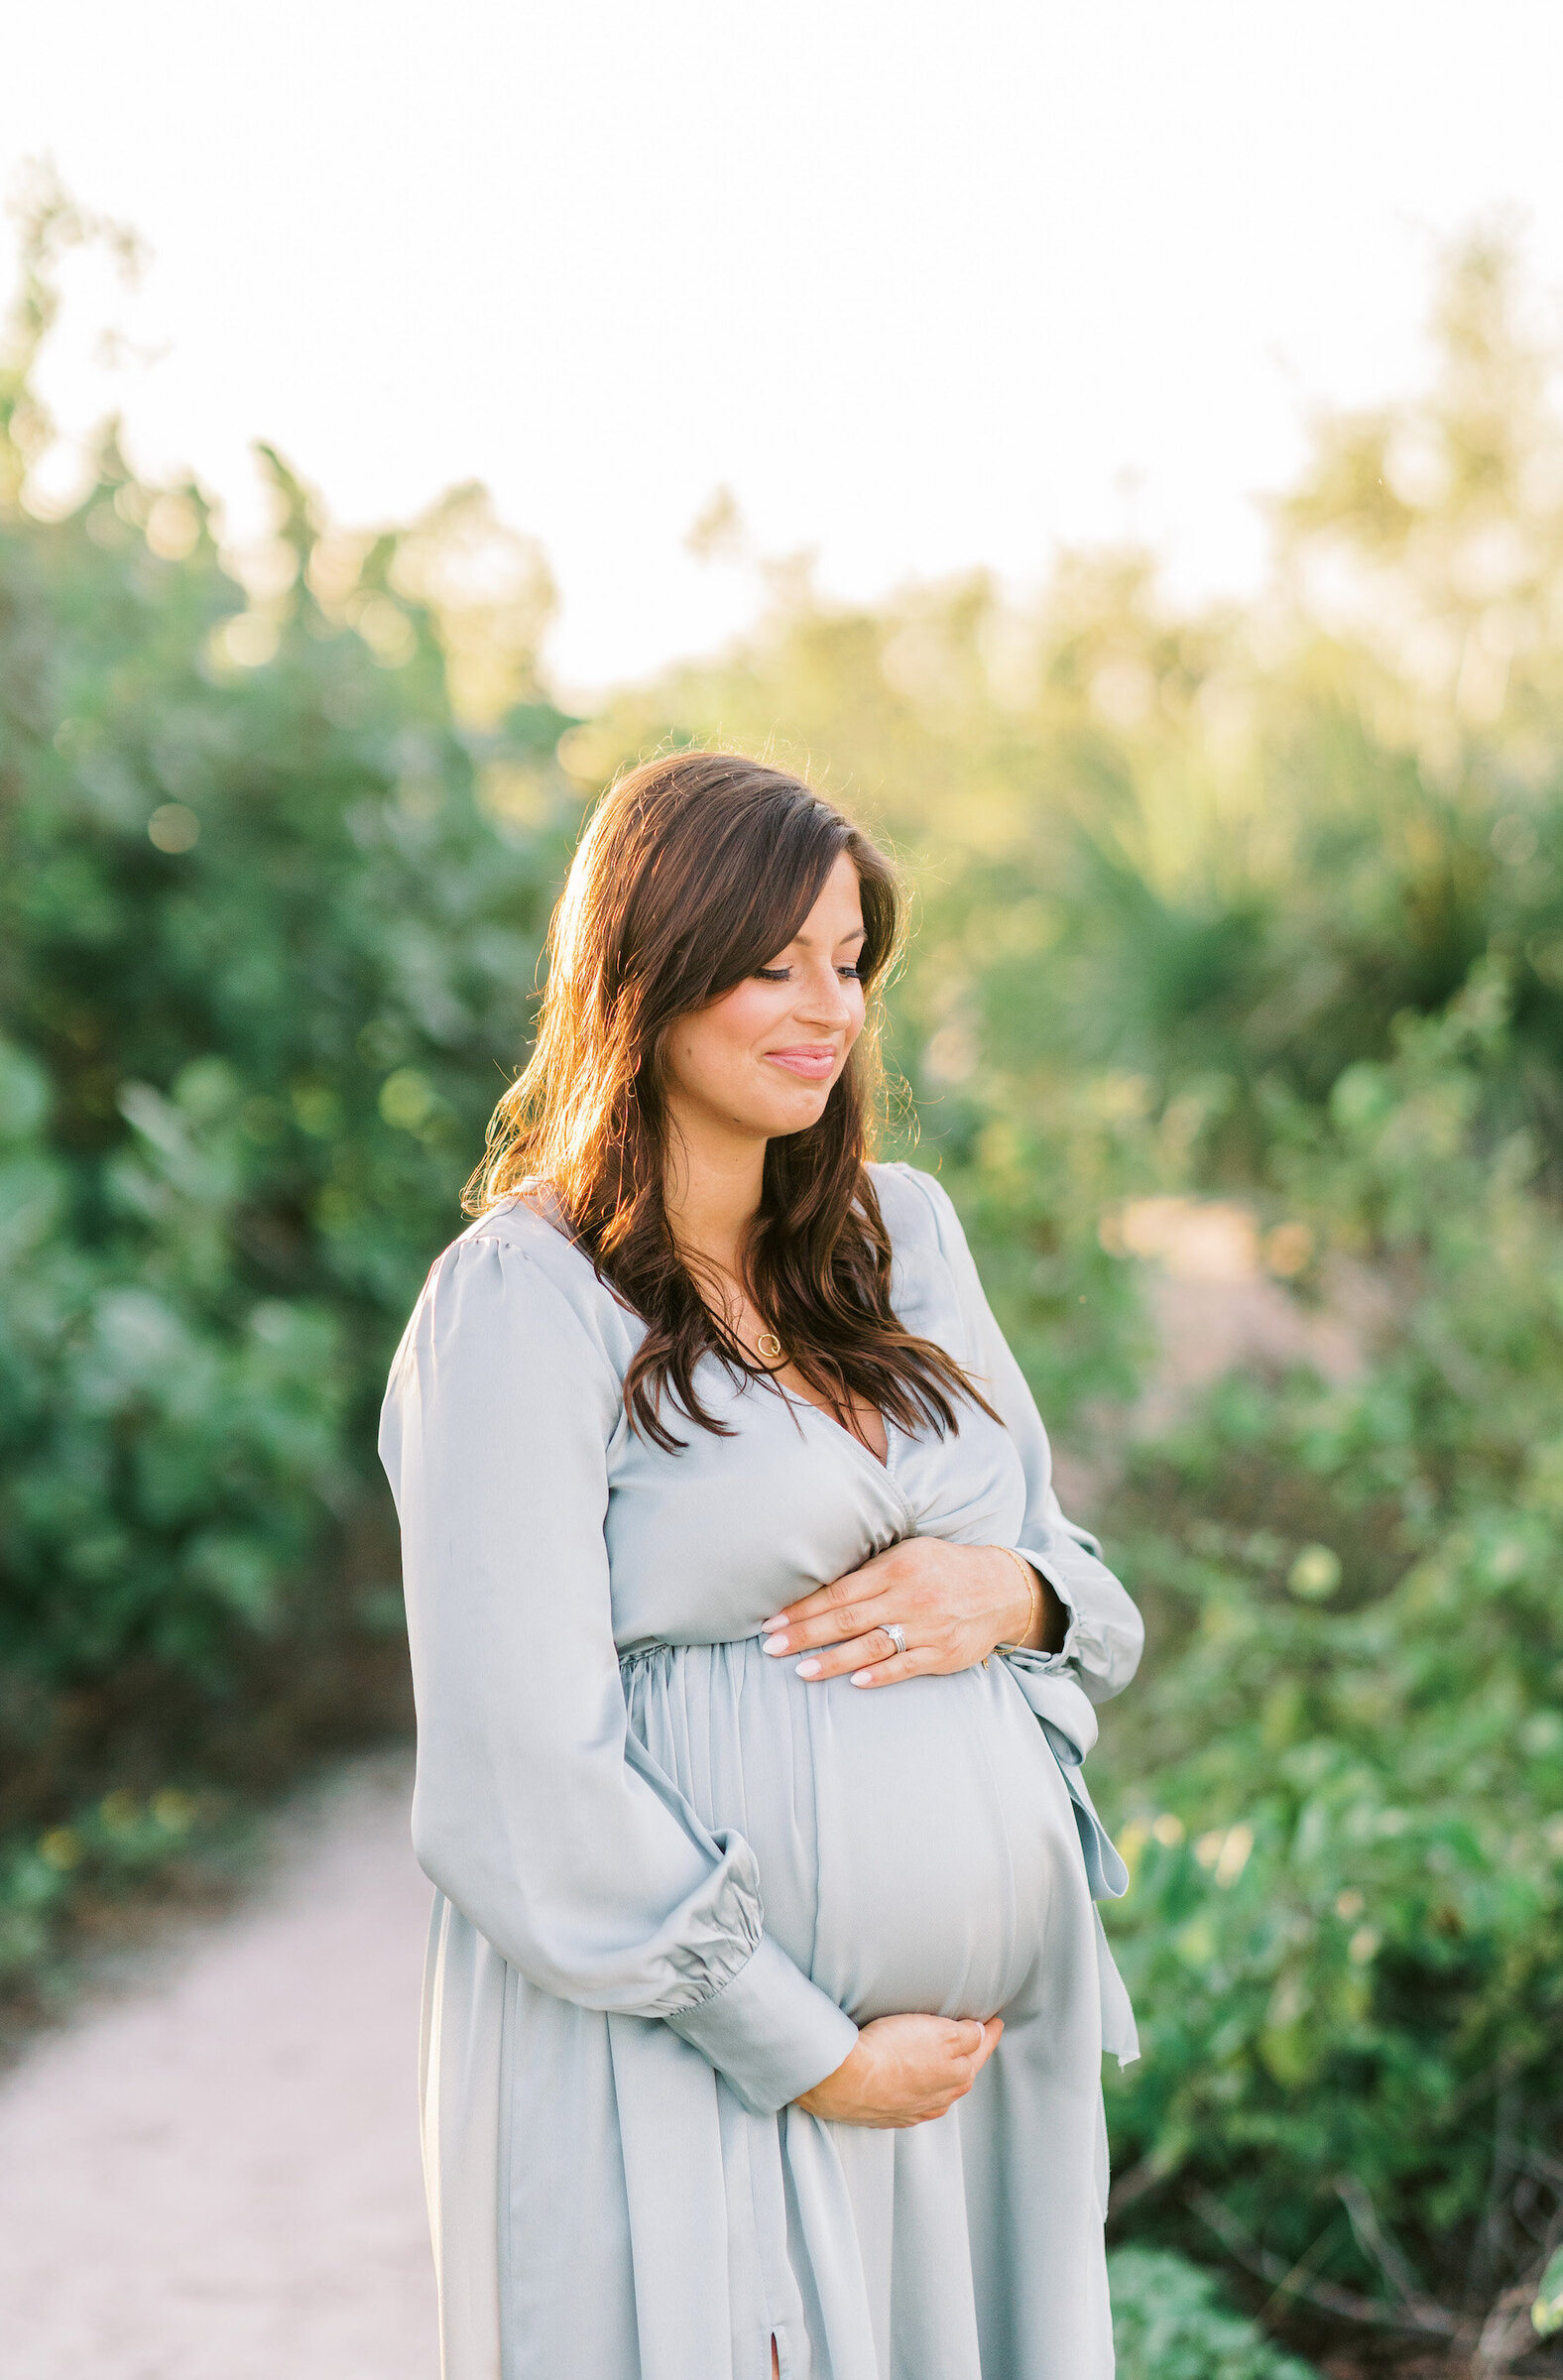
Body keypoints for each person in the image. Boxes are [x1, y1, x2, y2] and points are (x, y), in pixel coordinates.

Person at [379, 752, 1143, 2380]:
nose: (829, 1006)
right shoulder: (523, 1301)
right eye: (772, 963)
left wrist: (1007, 1595)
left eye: (852, 961)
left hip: (965, 2090)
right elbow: (516, 1778)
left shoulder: (901, 1237)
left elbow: (1092, 1601)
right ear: (645, 976)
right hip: (688, 2060)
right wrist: (801, 2048)